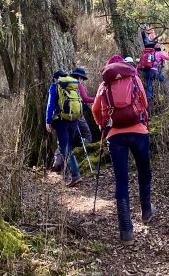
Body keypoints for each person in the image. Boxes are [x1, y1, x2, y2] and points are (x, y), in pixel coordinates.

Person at [92, 55, 154, 245]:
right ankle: (146, 211)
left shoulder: (104, 85)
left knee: (121, 181)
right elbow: (144, 102)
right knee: (144, 171)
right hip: (138, 131)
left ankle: (126, 231)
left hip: (115, 136)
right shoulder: (134, 78)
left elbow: (96, 110)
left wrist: (104, 126)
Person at [52, 67, 94, 172]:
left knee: (63, 142)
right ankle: (83, 156)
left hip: (63, 115)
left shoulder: (62, 84)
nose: (82, 81)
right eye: (82, 78)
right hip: (77, 115)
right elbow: (86, 99)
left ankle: (58, 163)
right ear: (79, 77)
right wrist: (98, 97)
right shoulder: (77, 84)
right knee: (87, 134)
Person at [46, 69, 83, 187]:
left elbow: (50, 104)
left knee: (64, 148)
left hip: (61, 121)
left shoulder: (55, 86)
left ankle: (75, 174)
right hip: (74, 120)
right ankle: (70, 173)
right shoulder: (74, 85)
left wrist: (48, 121)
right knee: (69, 147)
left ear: (55, 78)